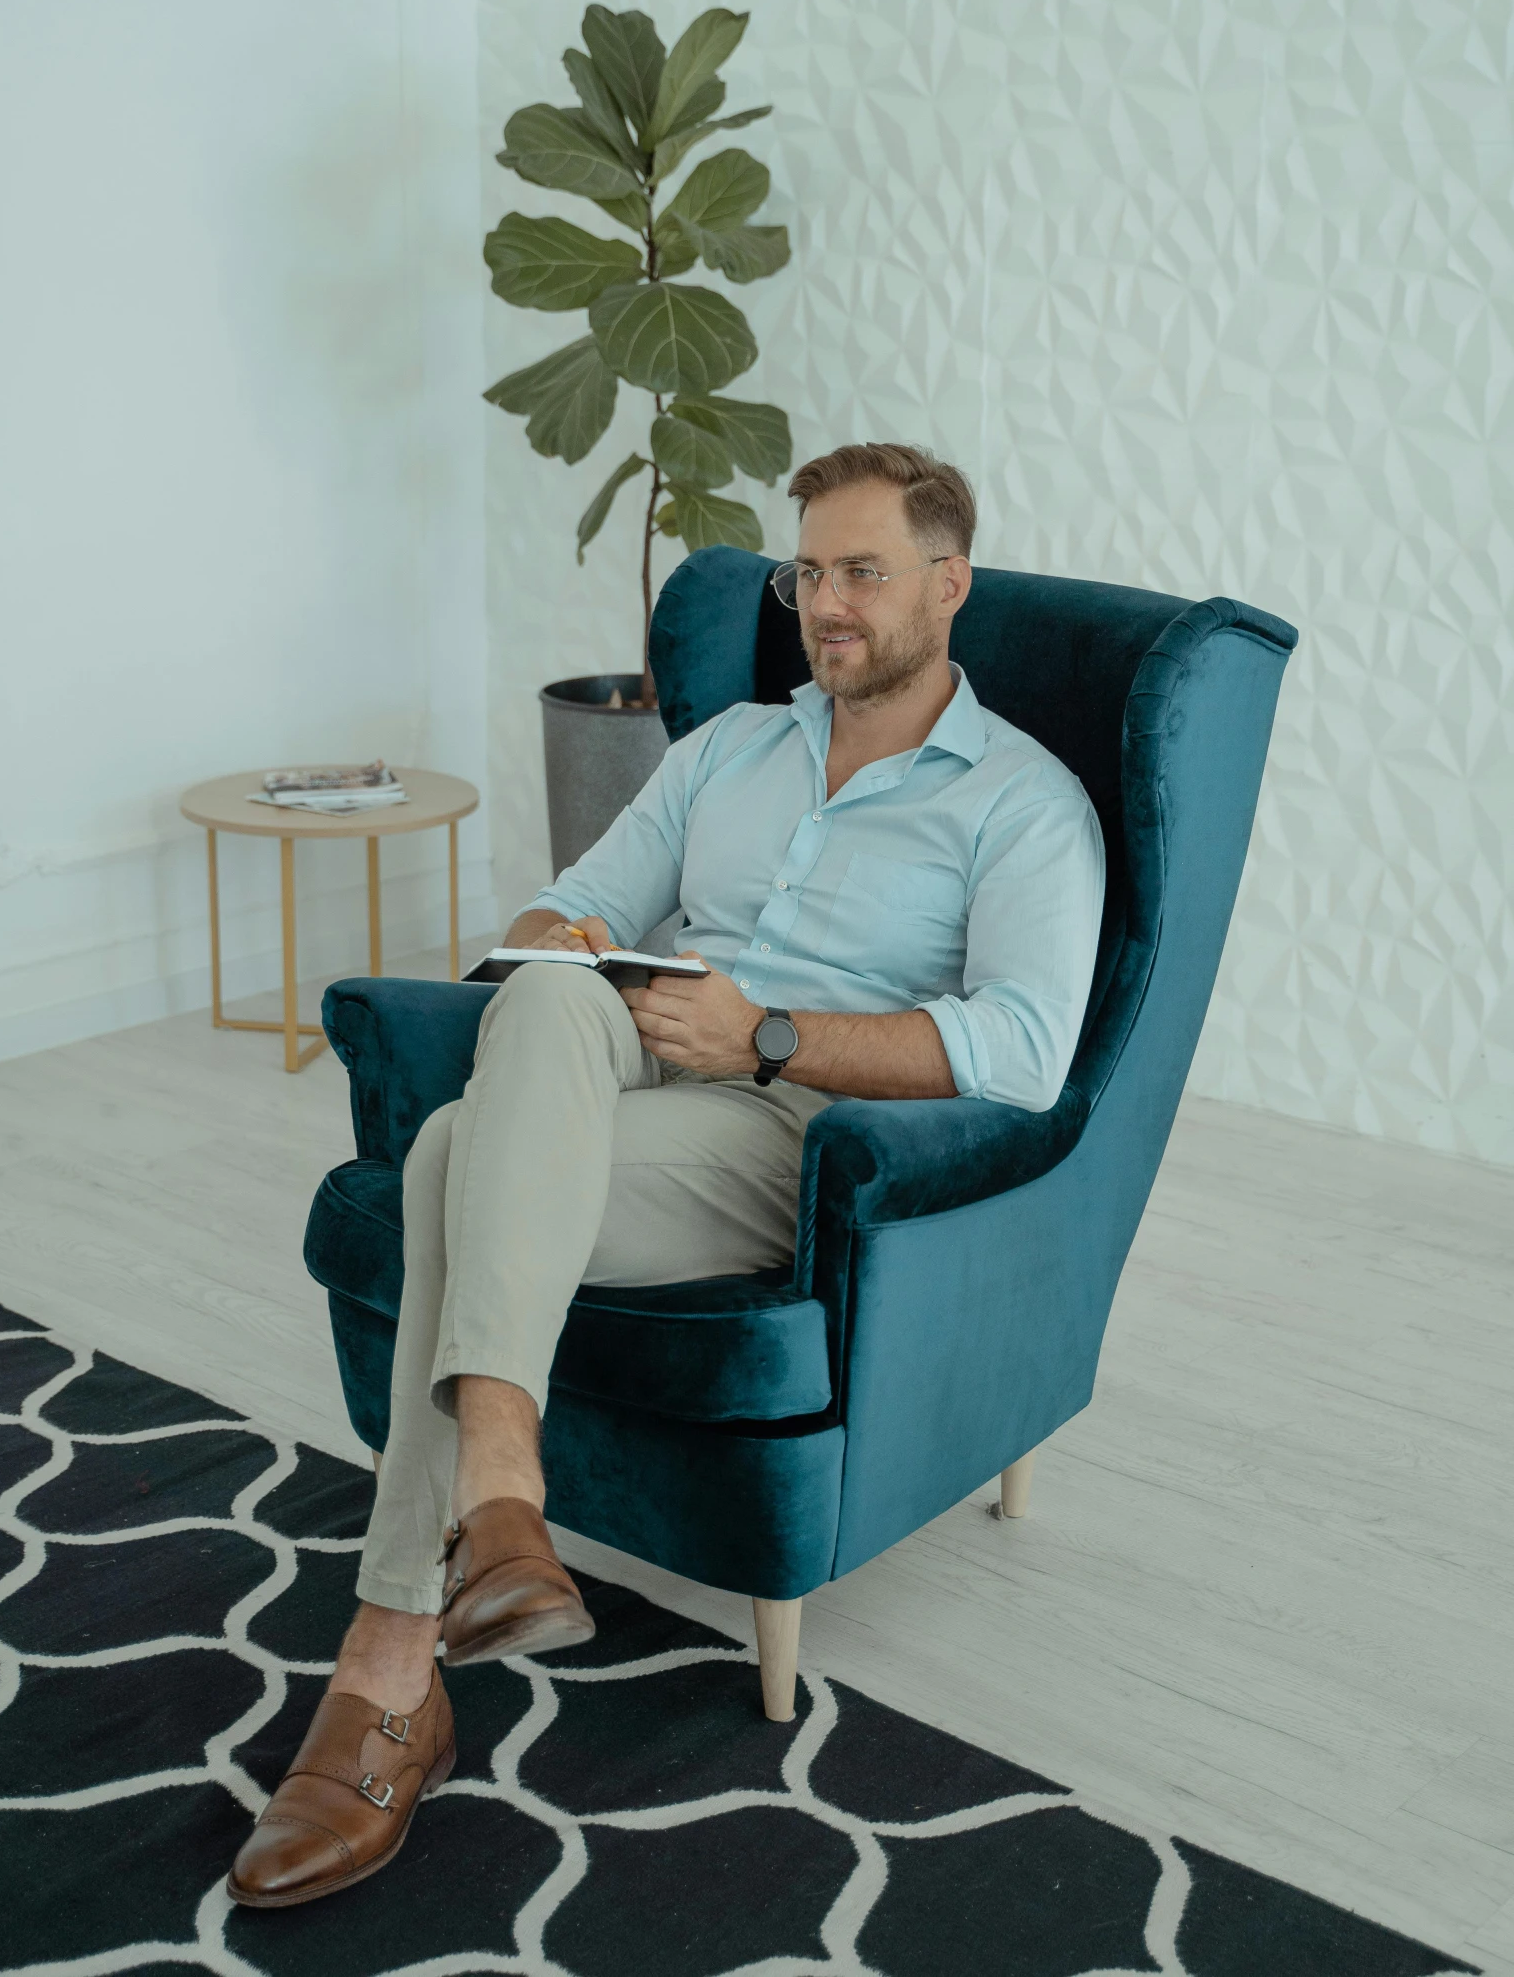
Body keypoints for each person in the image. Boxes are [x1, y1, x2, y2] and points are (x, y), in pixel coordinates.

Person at [227, 441, 1105, 1909]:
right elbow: (569, 904)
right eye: (806, 570)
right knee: (556, 997)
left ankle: (389, 1666)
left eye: (862, 571)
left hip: (800, 1130)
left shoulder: (1021, 802)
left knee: (449, 1153)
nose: (824, 602)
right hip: (624, 1067)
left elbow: (1021, 1048)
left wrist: (766, 1034)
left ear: (947, 585)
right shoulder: (728, 749)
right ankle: (503, 1496)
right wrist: (557, 938)